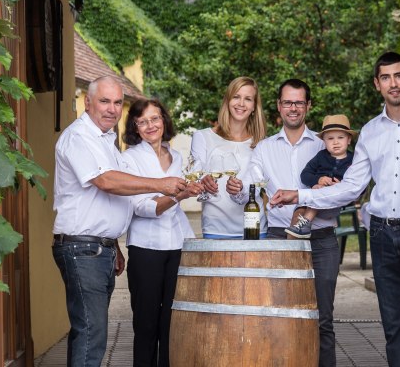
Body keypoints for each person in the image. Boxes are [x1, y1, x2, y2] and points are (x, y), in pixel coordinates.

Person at [270, 52, 400, 367]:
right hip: (382, 234)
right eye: (386, 77)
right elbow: (351, 186)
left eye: (398, 76)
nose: (393, 83)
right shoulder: (370, 132)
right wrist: (299, 195)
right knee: (393, 326)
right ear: (377, 84)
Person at [52, 76, 189, 367]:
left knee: (91, 333)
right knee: (92, 333)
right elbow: (105, 181)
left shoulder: (106, 142)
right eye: (104, 101)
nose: (112, 109)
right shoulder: (80, 137)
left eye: (117, 102)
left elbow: (105, 201)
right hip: (82, 248)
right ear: (87, 102)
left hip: (97, 248)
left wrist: (113, 243)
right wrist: (162, 184)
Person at [226, 79, 340, 366]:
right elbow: (250, 185)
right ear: (278, 106)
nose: (293, 108)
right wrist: (238, 188)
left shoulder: (322, 144)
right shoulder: (263, 149)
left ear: (308, 106)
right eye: (287, 102)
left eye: (299, 102)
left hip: (322, 240)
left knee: (322, 318)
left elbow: (339, 192)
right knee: (279, 318)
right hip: (280, 238)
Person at [122, 98, 201, 367]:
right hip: (146, 249)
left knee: (172, 322)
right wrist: (179, 195)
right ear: (135, 127)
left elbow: (186, 195)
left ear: (164, 120)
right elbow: (141, 207)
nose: (150, 125)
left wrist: (197, 189)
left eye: (155, 118)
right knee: (145, 324)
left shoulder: (177, 157)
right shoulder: (128, 159)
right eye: (142, 121)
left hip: (178, 247)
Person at [191, 76, 267, 239]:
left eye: (248, 99)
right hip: (216, 228)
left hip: (254, 229)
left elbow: (257, 187)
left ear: (254, 106)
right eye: (236, 97)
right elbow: (194, 177)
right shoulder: (202, 137)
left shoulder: (261, 143)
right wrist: (203, 181)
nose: (241, 103)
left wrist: (240, 190)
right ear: (227, 101)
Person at [285, 114, 357, 239]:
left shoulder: (353, 161)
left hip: (336, 202)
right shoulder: (321, 156)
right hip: (316, 199)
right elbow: (305, 175)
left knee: (319, 191)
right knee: (316, 190)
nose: (335, 142)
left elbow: (359, 186)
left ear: (349, 140)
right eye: (330, 138)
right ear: (324, 141)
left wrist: (341, 186)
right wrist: (318, 180)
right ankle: (302, 228)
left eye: (340, 137)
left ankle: (305, 224)